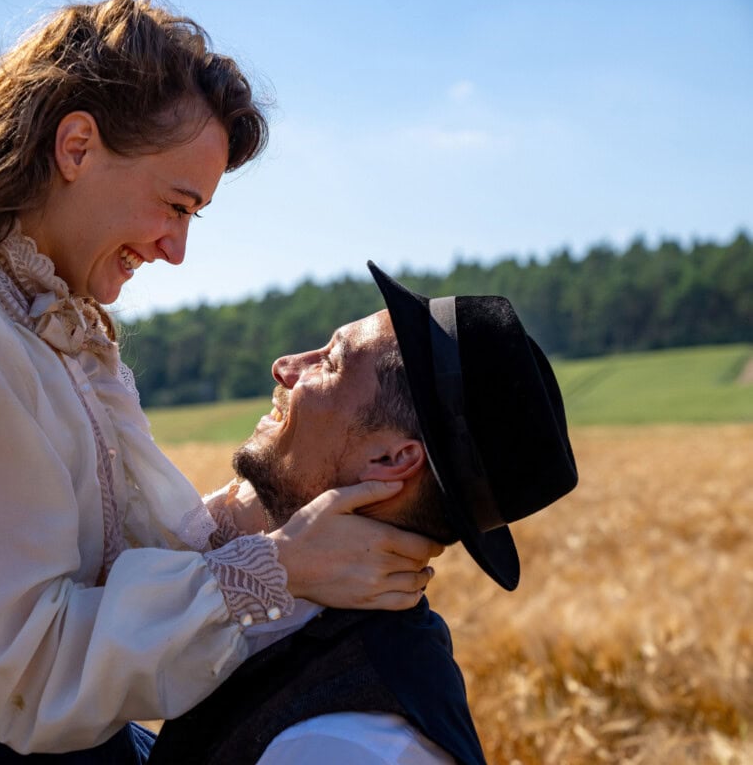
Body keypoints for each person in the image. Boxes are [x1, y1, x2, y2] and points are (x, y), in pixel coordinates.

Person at [0, 0, 443, 763]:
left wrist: (294, 528)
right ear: (76, 147)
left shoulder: (45, 327)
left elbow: (129, 568)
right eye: (175, 204)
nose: (176, 249)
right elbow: (33, 680)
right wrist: (283, 567)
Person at [148, 262, 579, 765]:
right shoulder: (311, 628)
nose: (286, 366)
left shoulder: (343, 747)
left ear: (390, 461)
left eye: (330, 363)